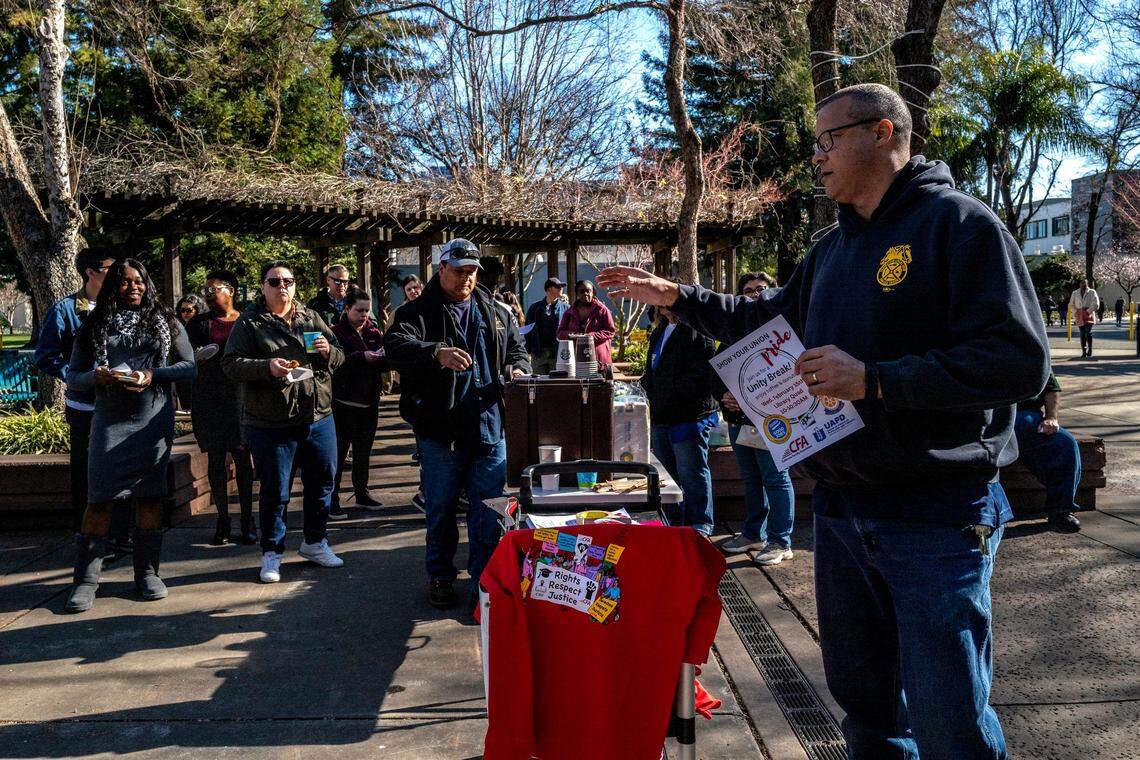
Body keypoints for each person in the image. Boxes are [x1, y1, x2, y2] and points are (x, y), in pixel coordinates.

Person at [598, 83, 1049, 758]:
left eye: (828, 139)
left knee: (947, 711)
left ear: (883, 133)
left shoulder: (960, 226)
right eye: (816, 142)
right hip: (841, 508)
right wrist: (677, 298)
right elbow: (764, 322)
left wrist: (876, 380)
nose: (816, 156)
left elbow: (1019, 362)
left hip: (936, 512)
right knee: (866, 706)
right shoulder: (832, 250)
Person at [385, 238, 530, 613]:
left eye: (472, 272)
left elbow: (518, 351)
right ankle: (440, 576)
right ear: (442, 269)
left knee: (489, 510)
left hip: (488, 426)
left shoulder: (495, 311)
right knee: (441, 509)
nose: (467, 278)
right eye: (460, 271)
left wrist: (517, 369)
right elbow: (395, 347)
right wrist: (436, 352)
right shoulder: (417, 311)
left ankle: (484, 579)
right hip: (440, 430)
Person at [63, 259, 197, 613]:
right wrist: (97, 377)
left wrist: (154, 373)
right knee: (100, 499)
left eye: (139, 281)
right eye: (124, 282)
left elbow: (189, 365)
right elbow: (73, 374)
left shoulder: (165, 320)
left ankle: (147, 573)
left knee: (150, 497)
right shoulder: (93, 324)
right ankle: (85, 580)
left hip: (152, 421)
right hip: (110, 421)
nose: (134, 287)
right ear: (112, 287)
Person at [223, 260, 347, 584]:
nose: (282, 287)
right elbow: (231, 364)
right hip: (271, 421)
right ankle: (272, 553)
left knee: (323, 482)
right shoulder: (250, 323)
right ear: (263, 286)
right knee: (276, 491)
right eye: (275, 281)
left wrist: (327, 351)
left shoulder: (310, 316)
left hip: (318, 415)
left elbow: (339, 352)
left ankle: (315, 542)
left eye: (288, 281)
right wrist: (267, 367)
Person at [717, 272, 797, 565]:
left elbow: (789, 377)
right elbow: (718, 371)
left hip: (772, 420)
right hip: (740, 422)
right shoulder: (734, 329)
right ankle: (753, 533)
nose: (753, 293)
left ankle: (780, 540)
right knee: (751, 479)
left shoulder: (783, 328)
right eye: (748, 289)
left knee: (775, 478)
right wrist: (725, 396)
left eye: (760, 289)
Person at [35, 246, 116, 532]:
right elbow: (45, 356)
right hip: (84, 407)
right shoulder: (66, 309)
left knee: (119, 470)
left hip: (120, 404)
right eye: (110, 269)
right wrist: (74, 375)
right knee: (84, 472)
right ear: (91, 272)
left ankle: (120, 534)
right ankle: (86, 534)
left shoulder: (123, 307)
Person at [186, 270, 256, 546]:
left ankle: (248, 519)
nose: (208, 294)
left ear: (231, 291)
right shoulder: (199, 324)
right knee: (215, 459)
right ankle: (223, 520)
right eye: (205, 290)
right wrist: (195, 357)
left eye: (213, 289)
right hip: (209, 398)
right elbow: (183, 355)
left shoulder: (246, 321)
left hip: (240, 398)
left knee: (243, 459)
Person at [639, 302, 718, 536]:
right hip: (661, 416)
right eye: (662, 308)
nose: (667, 312)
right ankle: (675, 523)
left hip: (689, 417)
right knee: (668, 477)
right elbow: (652, 370)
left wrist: (669, 393)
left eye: (671, 307)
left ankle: (701, 523)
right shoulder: (659, 331)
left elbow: (702, 375)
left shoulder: (699, 331)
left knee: (692, 472)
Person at [329, 286, 386, 518]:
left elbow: (385, 360)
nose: (363, 315)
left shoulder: (374, 332)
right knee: (338, 455)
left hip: (368, 402)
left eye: (366, 311)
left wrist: (383, 357)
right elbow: (335, 361)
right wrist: (361, 357)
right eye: (359, 310)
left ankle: (361, 492)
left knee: (363, 452)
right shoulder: (335, 332)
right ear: (347, 309)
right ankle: (332, 498)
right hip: (343, 403)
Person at [1015, 371, 1082, 533]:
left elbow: (1051, 388)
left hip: (1025, 416)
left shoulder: (1033, 349)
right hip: (987, 412)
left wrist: (1051, 417)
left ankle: (1060, 511)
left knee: (1064, 443)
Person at [556, 280, 616, 369]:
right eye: (582, 291)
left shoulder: (602, 310)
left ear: (593, 293)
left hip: (599, 360)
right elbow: (560, 332)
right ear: (577, 294)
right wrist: (571, 335)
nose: (585, 294)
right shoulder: (569, 312)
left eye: (588, 291)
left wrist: (590, 336)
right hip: (576, 359)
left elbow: (610, 331)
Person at [524, 277, 569, 374]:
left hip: (558, 353)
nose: (561, 289)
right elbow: (528, 330)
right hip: (539, 353)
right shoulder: (535, 308)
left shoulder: (566, 308)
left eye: (561, 287)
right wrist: (529, 350)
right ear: (548, 290)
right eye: (557, 287)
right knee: (539, 383)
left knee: (556, 383)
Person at [1070, 279, 1100, 358]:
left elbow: (1096, 303)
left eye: (1085, 283)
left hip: (1088, 313)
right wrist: (1075, 312)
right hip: (1079, 314)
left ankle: (1090, 349)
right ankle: (1084, 351)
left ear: (1087, 284)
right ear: (1079, 284)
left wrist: (1088, 311)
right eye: (1082, 283)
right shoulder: (1075, 293)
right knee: (1082, 333)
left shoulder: (1092, 292)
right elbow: (1071, 304)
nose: (1083, 285)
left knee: (1088, 332)